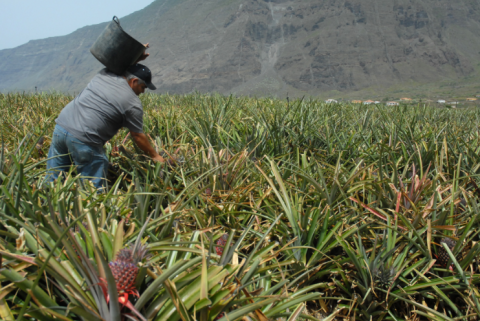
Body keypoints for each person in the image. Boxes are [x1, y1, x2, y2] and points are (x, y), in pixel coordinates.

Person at [46, 55, 165, 191]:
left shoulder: (105, 74)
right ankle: (92, 210)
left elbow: (118, 64)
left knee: (54, 178)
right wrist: (155, 156)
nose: (143, 92)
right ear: (134, 81)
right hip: (84, 139)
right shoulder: (133, 103)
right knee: (92, 189)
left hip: (61, 127)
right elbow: (137, 136)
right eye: (143, 87)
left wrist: (136, 56)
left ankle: (46, 206)